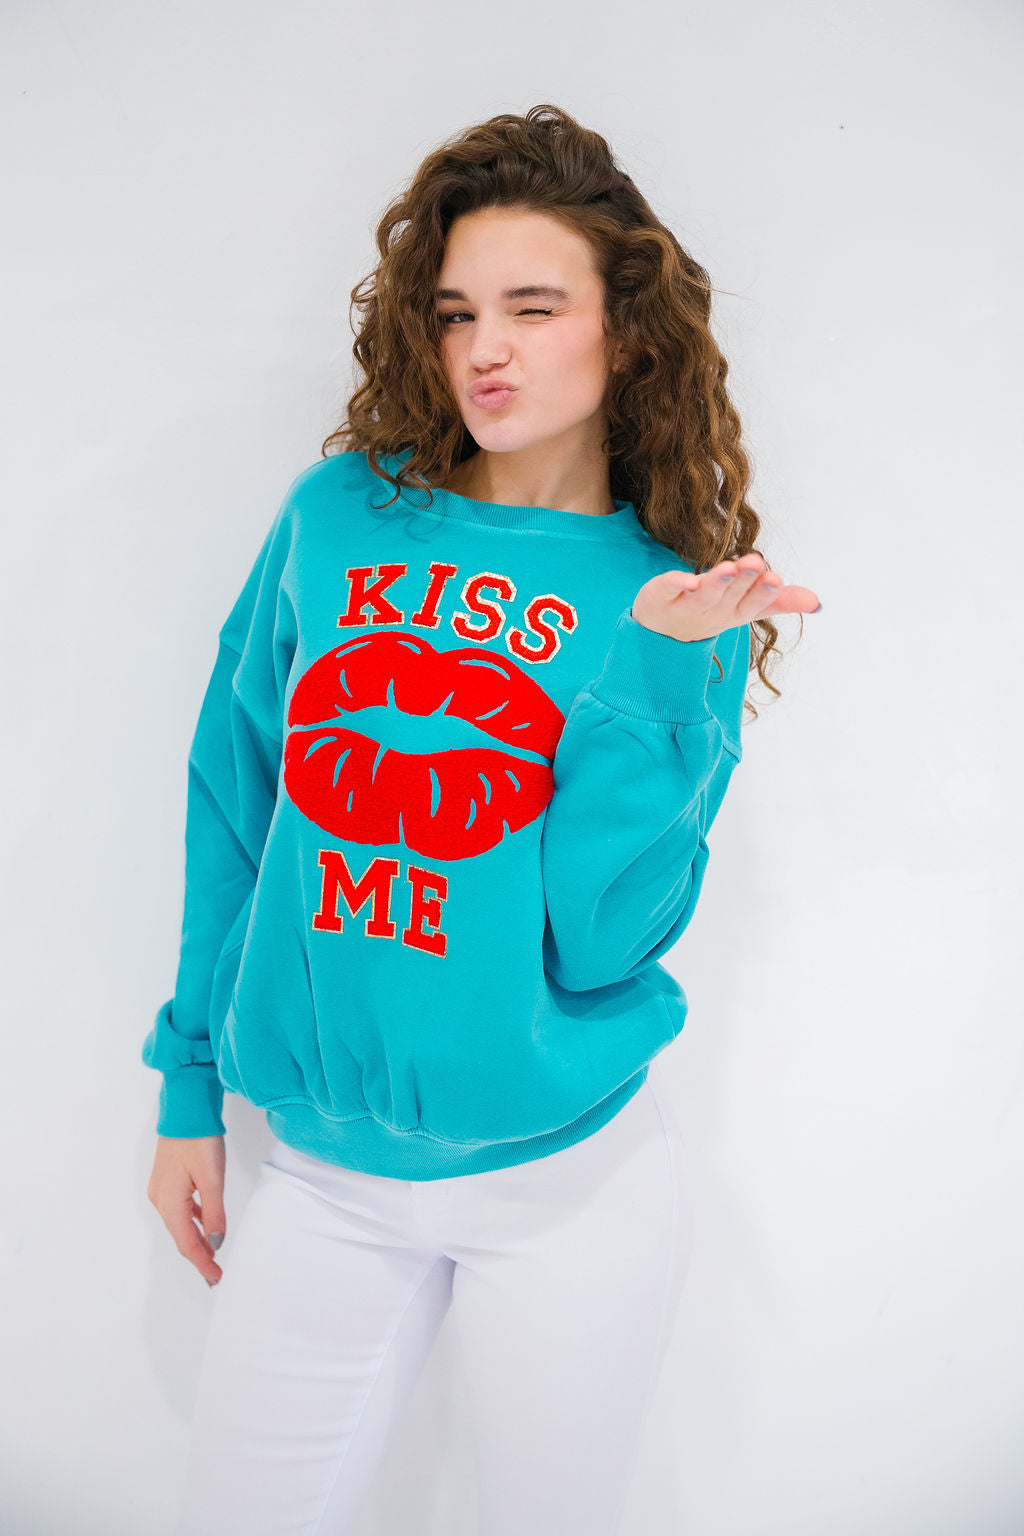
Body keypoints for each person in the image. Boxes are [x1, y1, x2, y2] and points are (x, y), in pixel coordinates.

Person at [143, 102, 820, 1536]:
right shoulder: (339, 516)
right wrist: (187, 1083)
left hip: (565, 1184)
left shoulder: (666, 599)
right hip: (324, 1174)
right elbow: (232, 801)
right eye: (456, 313)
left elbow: (601, 941)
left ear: (627, 333)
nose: (485, 351)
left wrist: (662, 674)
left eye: (533, 307)